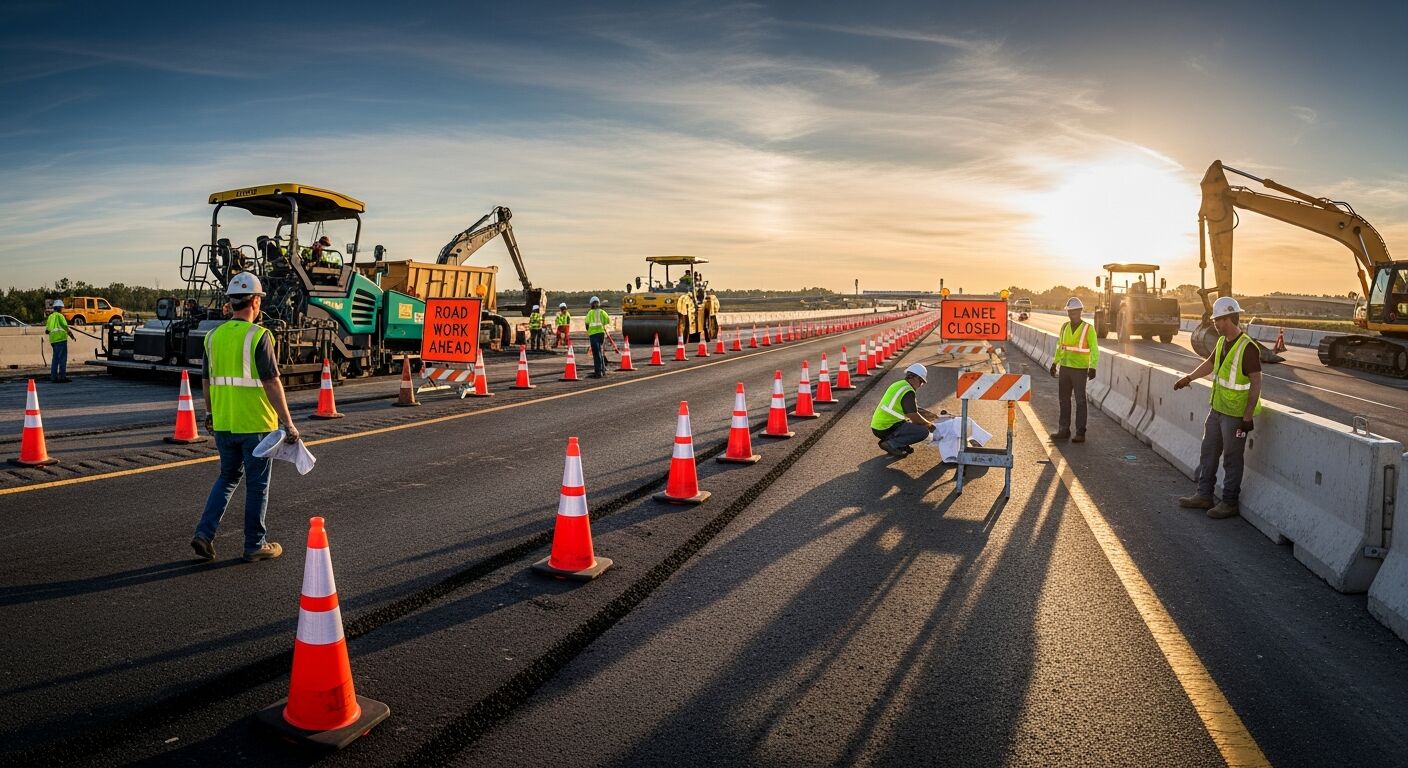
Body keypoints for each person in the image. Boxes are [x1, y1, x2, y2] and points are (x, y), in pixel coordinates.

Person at [191, 273, 300, 563]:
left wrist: (210, 413)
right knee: (257, 485)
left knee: (227, 477)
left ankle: (204, 533)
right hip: (256, 426)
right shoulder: (259, 336)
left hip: (224, 423)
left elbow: (205, 380)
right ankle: (255, 544)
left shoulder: (213, 336)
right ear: (255, 301)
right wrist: (288, 423)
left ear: (230, 302)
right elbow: (272, 382)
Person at [1174, 296, 1263, 520]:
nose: (1214, 323)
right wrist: (1189, 378)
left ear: (1229, 318)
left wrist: (1248, 416)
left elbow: (1256, 383)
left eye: (1218, 320)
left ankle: (1230, 502)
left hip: (1236, 415)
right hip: (1217, 409)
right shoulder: (1222, 342)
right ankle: (1204, 494)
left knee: (1232, 457)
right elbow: (1211, 364)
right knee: (1209, 451)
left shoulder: (1248, 348)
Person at [1048, 296, 1099, 443]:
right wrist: (1054, 363)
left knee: (1080, 400)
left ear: (1080, 311)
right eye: (1069, 311)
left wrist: (1093, 366)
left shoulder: (1088, 329)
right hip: (1065, 368)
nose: (1072, 314)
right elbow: (1060, 346)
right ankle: (1063, 430)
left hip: (1079, 369)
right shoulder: (1064, 327)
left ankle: (1080, 432)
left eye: (1075, 311)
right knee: (1064, 400)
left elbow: (1094, 349)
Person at [871, 363, 940, 457]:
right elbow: (913, 415)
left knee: (911, 425)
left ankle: (899, 444)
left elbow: (914, 408)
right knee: (923, 431)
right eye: (921, 381)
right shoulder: (908, 391)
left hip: (879, 426)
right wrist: (929, 425)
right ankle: (891, 444)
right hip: (887, 427)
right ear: (914, 377)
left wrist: (932, 416)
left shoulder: (899, 384)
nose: (920, 385)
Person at [45, 300, 73, 383]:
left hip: (53, 340)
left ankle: (53, 377)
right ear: (60, 308)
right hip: (61, 339)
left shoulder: (50, 316)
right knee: (62, 359)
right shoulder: (60, 316)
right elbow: (65, 326)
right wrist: (71, 335)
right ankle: (62, 377)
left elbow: (48, 329)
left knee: (55, 359)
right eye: (62, 308)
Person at [585, 296, 610, 378]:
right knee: (600, 351)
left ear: (591, 304)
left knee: (596, 353)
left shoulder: (590, 313)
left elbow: (587, 324)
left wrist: (589, 331)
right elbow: (607, 321)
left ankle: (598, 372)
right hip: (601, 334)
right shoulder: (602, 312)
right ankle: (603, 369)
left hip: (593, 335)